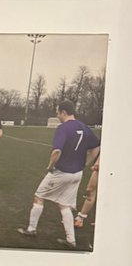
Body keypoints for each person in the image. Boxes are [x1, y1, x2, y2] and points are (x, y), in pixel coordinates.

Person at [18, 100, 99, 248]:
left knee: (39, 197)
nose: (56, 115)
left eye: (57, 112)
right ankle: (71, 240)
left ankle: (31, 229)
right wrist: (85, 163)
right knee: (64, 205)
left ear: (63, 112)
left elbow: (56, 151)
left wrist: (50, 166)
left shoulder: (63, 128)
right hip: (77, 174)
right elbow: (96, 148)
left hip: (62, 172)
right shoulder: (84, 127)